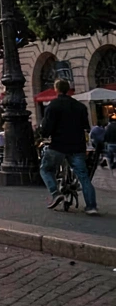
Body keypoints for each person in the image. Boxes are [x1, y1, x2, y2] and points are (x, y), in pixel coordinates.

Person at [38, 80, 98, 215]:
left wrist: (44, 134)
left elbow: (47, 128)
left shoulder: (53, 106)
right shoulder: (79, 106)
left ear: (56, 89)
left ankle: (55, 193)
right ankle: (91, 206)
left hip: (58, 145)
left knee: (46, 169)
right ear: (69, 89)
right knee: (83, 176)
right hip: (77, 146)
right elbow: (86, 126)